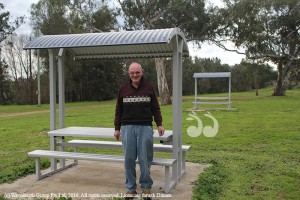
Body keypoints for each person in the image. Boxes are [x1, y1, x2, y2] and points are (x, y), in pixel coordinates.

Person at [114, 62, 165, 200]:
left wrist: (159, 124)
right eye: (132, 73)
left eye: (137, 72)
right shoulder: (123, 88)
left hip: (145, 127)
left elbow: (155, 107)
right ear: (129, 73)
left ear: (142, 72)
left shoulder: (149, 87)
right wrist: (117, 128)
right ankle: (130, 189)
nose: (135, 75)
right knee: (128, 159)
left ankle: (146, 187)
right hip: (127, 128)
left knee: (145, 159)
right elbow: (119, 109)